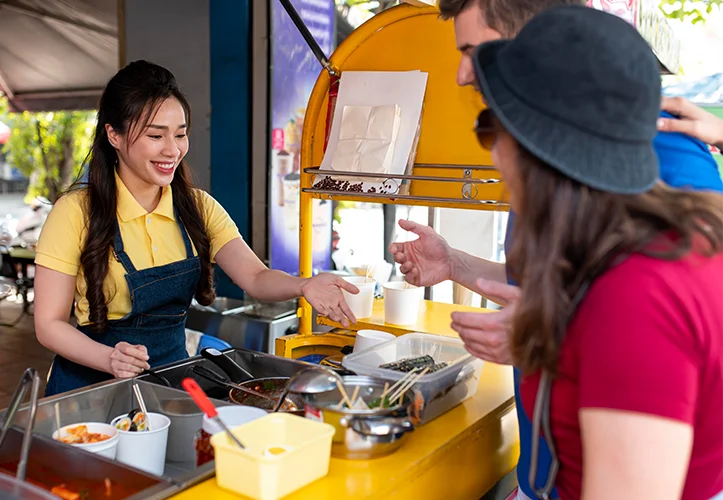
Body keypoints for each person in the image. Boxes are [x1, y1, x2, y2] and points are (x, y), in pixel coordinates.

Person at [391, 1, 723, 499]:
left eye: (491, 127)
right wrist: (456, 264)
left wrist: (545, 337)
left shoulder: (637, 295)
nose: (492, 154)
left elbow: (662, 332)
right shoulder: (597, 213)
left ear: (542, 139)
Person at [35, 61, 358, 396]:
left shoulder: (198, 208)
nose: (172, 150)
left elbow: (256, 278)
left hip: (170, 383)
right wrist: (108, 358)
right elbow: (48, 324)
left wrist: (304, 285)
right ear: (113, 134)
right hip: (89, 389)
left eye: (180, 134)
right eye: (156, 135)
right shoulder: (75, 212)